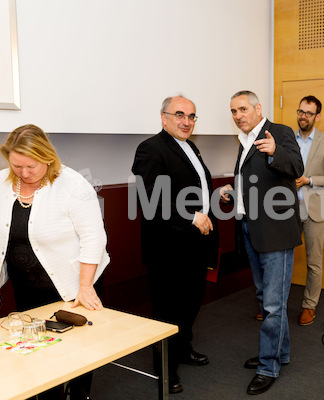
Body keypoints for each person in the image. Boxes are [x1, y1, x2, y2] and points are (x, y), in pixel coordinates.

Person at [0, 124, 110, 400]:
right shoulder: (1, 181)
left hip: (72, 284)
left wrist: (84, 285)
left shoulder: (72, 185)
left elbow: (94, 237)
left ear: (47, 157)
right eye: (16, 165)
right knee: (39, 352)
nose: (23, 173)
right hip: (27, 284)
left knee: (76, 355)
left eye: (30, 166)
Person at [131, 95, 218, 394]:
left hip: (194, 243)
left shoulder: (190, 147)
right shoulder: (150, 149)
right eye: (179, 114)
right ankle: (165, 369)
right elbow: (152, 198)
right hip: (168, 245)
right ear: (163, 117)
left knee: (192, 299)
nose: (186, 121)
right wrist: (193, 216)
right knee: (168, 308)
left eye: (192, 116)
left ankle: (182, 349)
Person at [220, 90, 303, 395]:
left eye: (242, 109)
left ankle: (268, 365)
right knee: (266, 296)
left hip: (276, 232)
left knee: (272, 303)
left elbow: (297, 167)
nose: (238, 115)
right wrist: (235, 191)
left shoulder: (279, 132)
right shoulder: (243, 142)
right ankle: (280, 353)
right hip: (251, 229)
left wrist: (275, 152)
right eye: (233, 111)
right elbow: (256, 181)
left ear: (258, 109)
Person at [294, 95, 324, 326]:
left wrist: (309, 180)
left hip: (316, 211)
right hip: (286, 210)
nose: (303, 116)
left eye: (309, 113)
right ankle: (271, 305)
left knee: (314, 262)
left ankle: (309, 306)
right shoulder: (287, 140)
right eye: (301, 111)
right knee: (279, 260)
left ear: (317, 116)